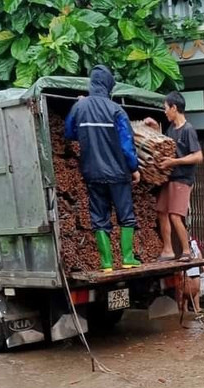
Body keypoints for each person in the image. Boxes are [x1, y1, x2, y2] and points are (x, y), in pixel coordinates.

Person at [64, 65, 141, 272]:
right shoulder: (116, 110)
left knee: (99, 216)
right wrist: (134, 168)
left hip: (92, 173)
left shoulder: (79, 107)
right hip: (118, 174)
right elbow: (126, 145)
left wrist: (79, 105)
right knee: (126, 215)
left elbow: (69, 132)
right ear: (108, 85)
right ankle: (127, 258)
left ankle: (106, 263)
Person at [144, 92, 203, 262]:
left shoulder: (188, 130)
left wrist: (173, 162)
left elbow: (198, 156)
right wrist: (155, 128)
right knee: (161, 212)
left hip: (182, 180)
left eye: (166, 108)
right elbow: (166, 143)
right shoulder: (171, 129)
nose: (165, 112)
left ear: (174, 108)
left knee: (175, 215)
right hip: (169, 179)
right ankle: (168, 250)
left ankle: (186, 251)